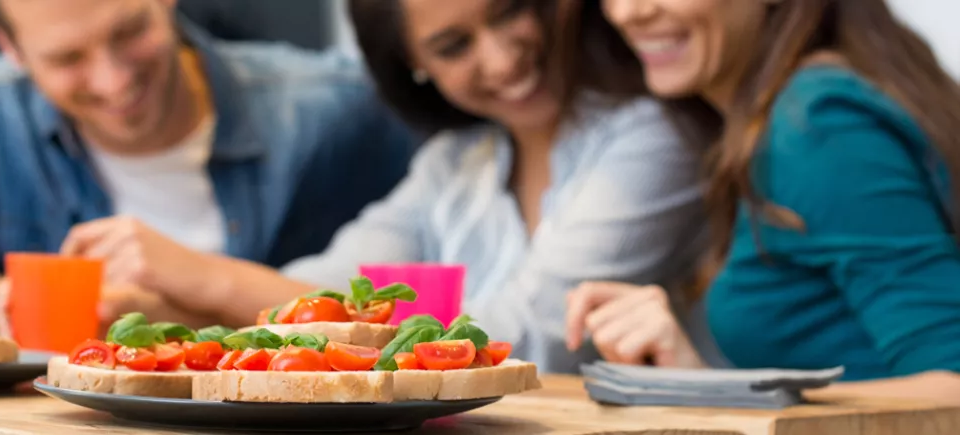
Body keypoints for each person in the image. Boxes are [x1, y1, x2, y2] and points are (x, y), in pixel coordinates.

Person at [62, 0, 710, 374]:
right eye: (454, 45)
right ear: (415, 67)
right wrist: (166, 308)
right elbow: (338, 289)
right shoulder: (459, 161)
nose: (504, 58)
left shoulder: (650, 137)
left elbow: (530, 339)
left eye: (508, 9)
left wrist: (208, 278)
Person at [0, 0, 417, 329]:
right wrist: (10, 297)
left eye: (130, 31)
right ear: (10, 47)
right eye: (68, 57)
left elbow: (462, 252)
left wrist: (201, 286)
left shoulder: (336, 109)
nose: (112, 79)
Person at [565, 0, 960, 403]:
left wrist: (718, 394)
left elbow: (953, 388)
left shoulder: (817, 125)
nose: (627, 11)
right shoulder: (773, 120)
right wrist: (692, 380)